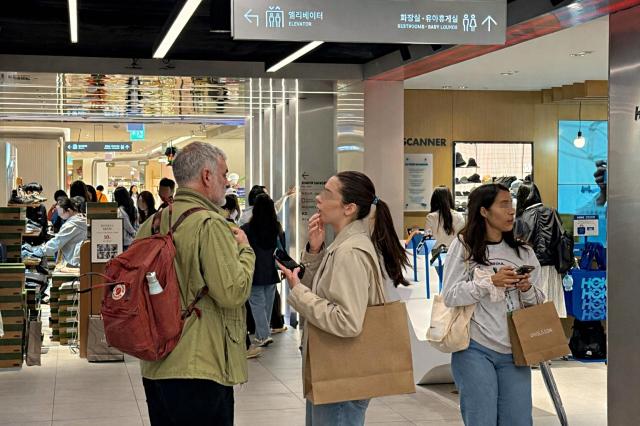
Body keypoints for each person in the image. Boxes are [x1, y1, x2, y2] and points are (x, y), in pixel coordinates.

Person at [136, 142, 255, 426]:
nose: (227, 182)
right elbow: (232, 291)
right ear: (206, 176)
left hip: (156, 362)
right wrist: (245, 251)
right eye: (224, 174)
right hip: (200, 363)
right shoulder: (210, 225)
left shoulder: (153, 222)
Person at [278, 171, 409, 426]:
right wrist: (315, 252)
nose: (318, 198)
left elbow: (346, 321)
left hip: (341, 369)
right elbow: (325, 293)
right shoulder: (343, 245)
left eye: (327, 194)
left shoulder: (350, 251)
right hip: (333, 367)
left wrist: (298, 292)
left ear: (349, 208)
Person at [442, 183, 545, 426]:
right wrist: (490, 282)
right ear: (484, 211)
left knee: (518, 420)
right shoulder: (464, 246)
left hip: (515, 350)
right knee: (481, 419)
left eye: (512, 204)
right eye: (504, 204)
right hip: (474, 348)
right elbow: (450, 295)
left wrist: (526, 288)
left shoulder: (523, 252)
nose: (512, 211)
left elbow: (540, 301)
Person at [515, 183, 567, 317]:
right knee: (552, 310)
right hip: (552, 268)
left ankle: (537, 336)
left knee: (534, 310)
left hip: (531, 270)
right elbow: (562, 239)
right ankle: (551, 335)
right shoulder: (552, 212)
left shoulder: (521, 218)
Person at [241, 194, 285, 347]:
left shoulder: (246, 229)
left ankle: (263, 335)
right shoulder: (276, 227)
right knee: (267, 304)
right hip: (271, 272)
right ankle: (262, 334)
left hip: (254, 271)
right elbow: (281, 250)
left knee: (257, 304)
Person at [27, 196, 87, 267]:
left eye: (60, 212)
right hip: (79, 259)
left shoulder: (71, 225)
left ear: (69, 210)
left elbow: (56, 243)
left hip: (73, 261)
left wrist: (38, 251)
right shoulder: (82, 219)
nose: (59, 214)